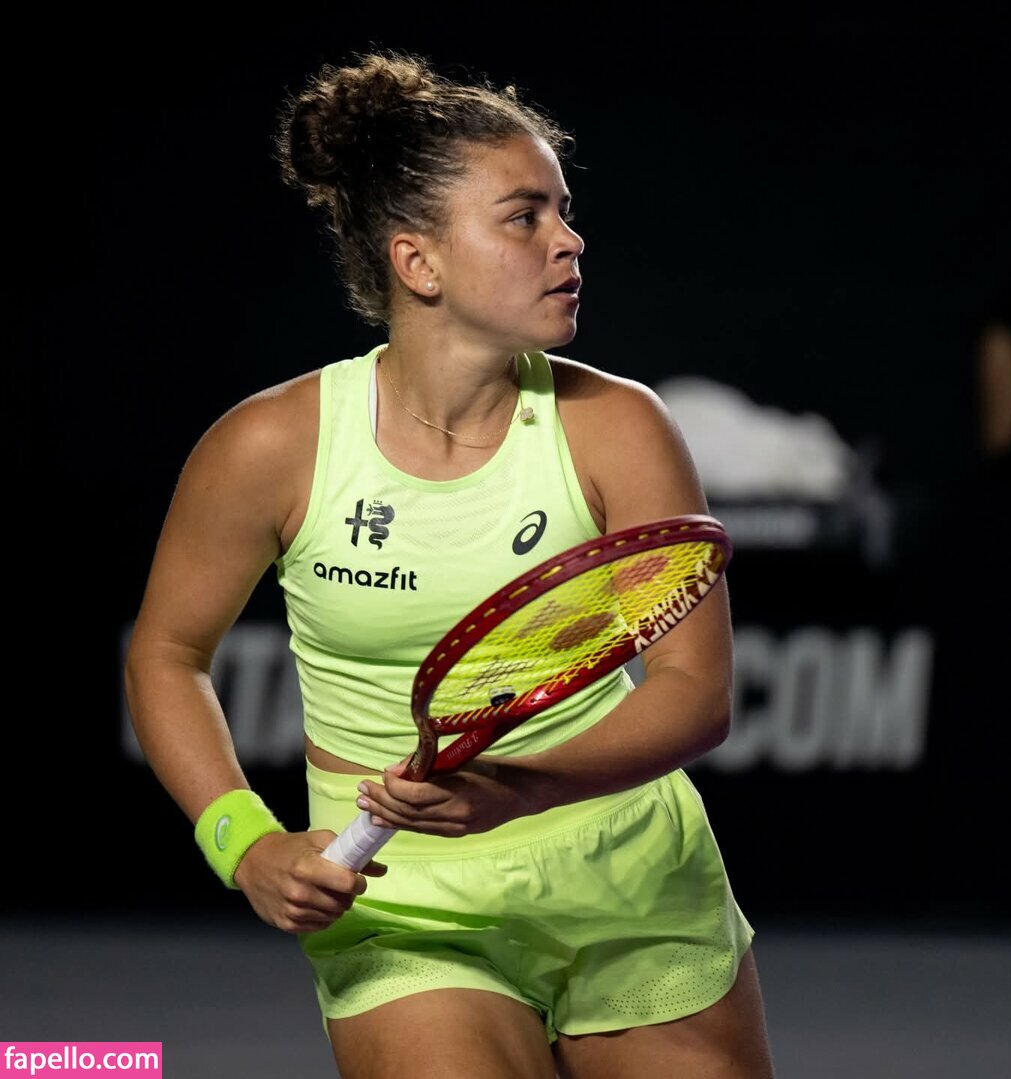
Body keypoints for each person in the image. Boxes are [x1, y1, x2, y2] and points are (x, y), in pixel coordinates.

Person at [124, 49, 774, 1079]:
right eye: (524, 217)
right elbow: (166, 654)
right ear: (417, 262)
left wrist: (519, 786)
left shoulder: (620, 426)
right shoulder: (269, 446)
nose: (569, 241)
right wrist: (243, 840)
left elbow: (696, 692)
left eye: (563, 212)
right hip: (402, 901)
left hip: (631, 880)